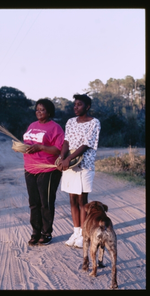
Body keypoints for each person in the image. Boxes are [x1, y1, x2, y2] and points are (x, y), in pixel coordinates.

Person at [57, 93, 101, 248]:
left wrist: (69, 159)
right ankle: (76, 233)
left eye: (79, 105)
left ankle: (84, 234)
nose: (76, 107)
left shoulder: (94, 122)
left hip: (84, 164)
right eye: (74, 104)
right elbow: (66, 141)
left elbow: (86, 144)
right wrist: (62, 158)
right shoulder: (70, 122)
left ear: (87, 107)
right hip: (70, 165)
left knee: (83, 201)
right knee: (72, 200)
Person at [23, 99, 64, 246]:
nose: (39, 112)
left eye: (42, 110)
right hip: (30, 168)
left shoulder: (55, 128)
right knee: (33, 203)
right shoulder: (32, 126)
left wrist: (40, 147)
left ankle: (46, 233)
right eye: (37, 109)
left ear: (49, 112)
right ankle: (36, 232)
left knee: (45, 203)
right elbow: (28, 143)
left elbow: (58, 149)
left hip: (48, 169)